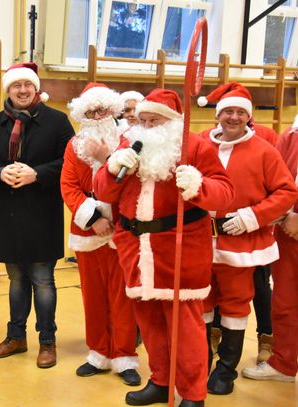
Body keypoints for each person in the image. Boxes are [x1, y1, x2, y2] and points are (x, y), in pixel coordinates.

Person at [93, 89, 234, 406]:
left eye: (153, 120)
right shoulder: (128, 145)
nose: (145, 126)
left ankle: (193, 393)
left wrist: (199, 185)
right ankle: (160, 381)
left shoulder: (195, 147)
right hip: (136, 249)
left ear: (171, 122)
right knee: (150, 323)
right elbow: (102, 191)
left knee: (185, 327)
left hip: (179, 248)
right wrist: (112, 169)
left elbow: (225, 193)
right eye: (141, 120)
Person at [197, 82, 297, 395]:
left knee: (236, 304)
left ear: (248, 117)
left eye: (240, 112)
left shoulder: (264, 150)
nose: (233, 117)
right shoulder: (200, 144)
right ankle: (199, 364)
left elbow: (286, 192)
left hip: (241, 243)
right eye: (227, 111)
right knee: (200, 302)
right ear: (218, 115)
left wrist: (251, 217)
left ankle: (225, 370)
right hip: (200, 242)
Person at [0, 62, 74, 369]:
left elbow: (70, 162)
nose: (22, 90)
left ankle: (47, 341)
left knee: (43, 279)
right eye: (16, 86)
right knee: (16, 279)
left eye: (27, 85)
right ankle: (16, 337)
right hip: (8, 214)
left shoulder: (57, 121)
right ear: (8, 90)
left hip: (43, 212)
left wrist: (38, 174)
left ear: (36, 88)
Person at [61, 82, 140, 384]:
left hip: (122, 229)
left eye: (102, 110)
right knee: (93, 297)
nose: (97, 116)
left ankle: (124, 356)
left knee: (123, 298)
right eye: (91, 112)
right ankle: (98, 353)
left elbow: (132, 183)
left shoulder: (129, 141)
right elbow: (68, 186)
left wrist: (108, 156)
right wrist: (93, 218)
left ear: (112, 110)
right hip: (88, 232)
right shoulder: (73, 146)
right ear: (83, 114)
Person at [242, 113, 298, 383]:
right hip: (288, 231)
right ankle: (284, 363)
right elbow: (279, 182)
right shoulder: (290, 136)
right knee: (285, 301)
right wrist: (286, 214)